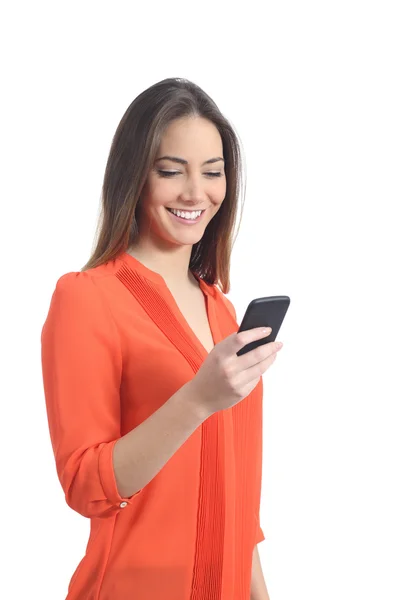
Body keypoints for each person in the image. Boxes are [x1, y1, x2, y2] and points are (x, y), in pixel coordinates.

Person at [41, 77, 282, 600]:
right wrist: (196, 400)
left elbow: (239, 505)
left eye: (213, 172)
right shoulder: (86, 299)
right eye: (171, 171)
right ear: (134, 176)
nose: (196, 193)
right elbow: (86, 485)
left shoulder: (222, 311)